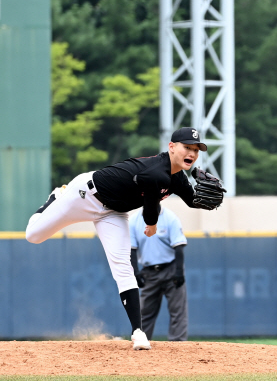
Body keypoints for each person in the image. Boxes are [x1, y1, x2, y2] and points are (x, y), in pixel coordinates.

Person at [26, 127, 225, 350]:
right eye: (187, 147)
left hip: (113, 212)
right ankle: (54, 198)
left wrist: (209, 199)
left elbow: (192, 200)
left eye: (197, 149)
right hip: (84, 195)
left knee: (122, 266)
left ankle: (138, 332)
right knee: (33, 235)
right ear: (171, 147)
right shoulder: (156, 171)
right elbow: (151, 207)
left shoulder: (177, 177)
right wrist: (152, 225)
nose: (193, 153)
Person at [130, 206, 188, 342]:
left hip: (171, 268)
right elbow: (131, 249)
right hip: (149, 272)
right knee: (144, 313)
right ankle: (142, 342)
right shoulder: (134, 220)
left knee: (177, 310)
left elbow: (179, 246)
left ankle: (178, 344)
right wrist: (135, 273)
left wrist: (179, 272)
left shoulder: (170, 217)